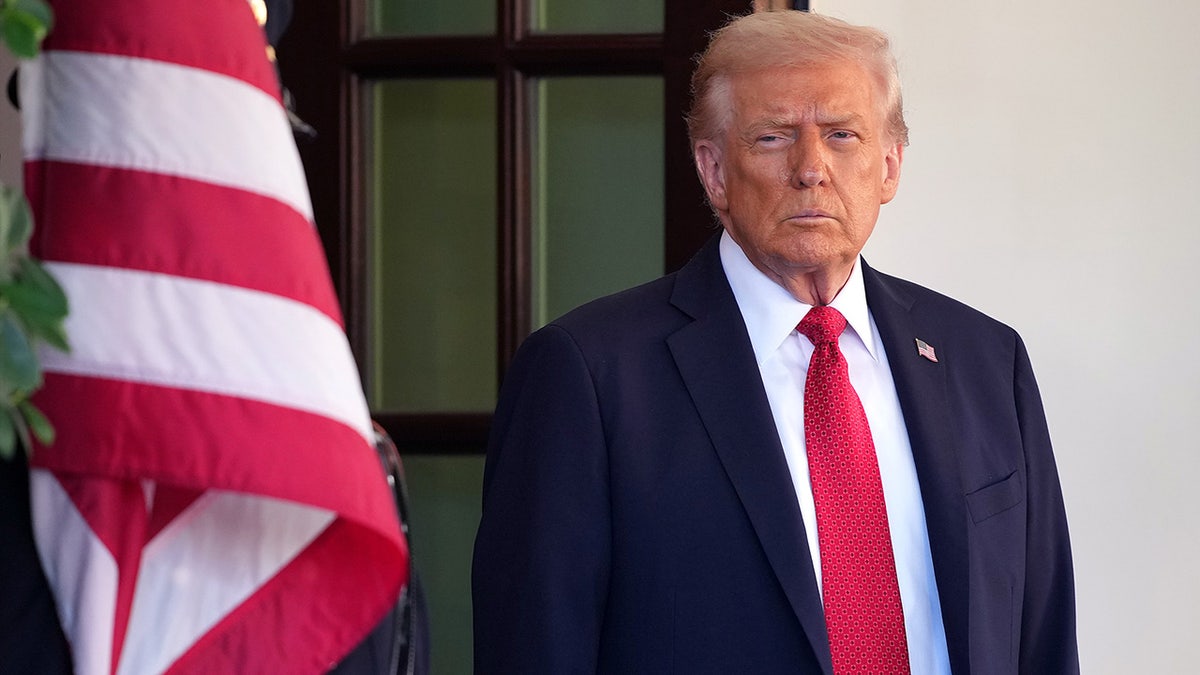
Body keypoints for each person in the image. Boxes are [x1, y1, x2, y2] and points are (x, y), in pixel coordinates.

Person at [472, 10, 1077, 675]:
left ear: (889, 165)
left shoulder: (986, 361)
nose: (811, 168)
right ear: (714, 171)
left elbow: (1041, 637)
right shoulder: (587, 374)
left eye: (842, 135)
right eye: (772, 137)